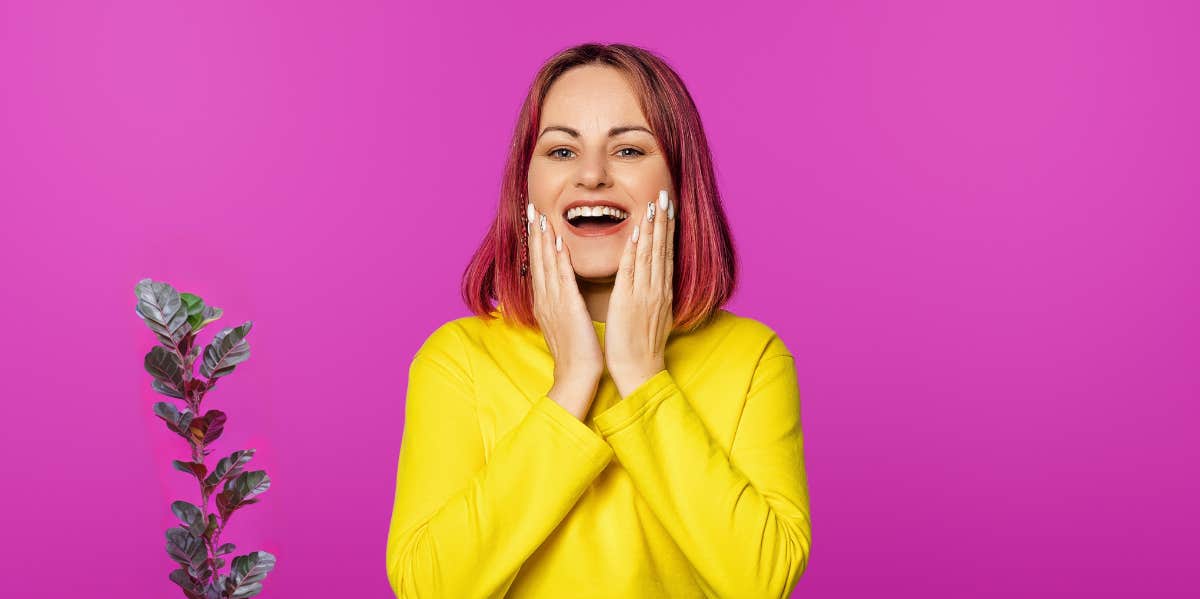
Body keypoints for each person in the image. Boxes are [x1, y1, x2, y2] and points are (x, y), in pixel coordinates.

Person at [385, 42, 811, 598]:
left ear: (680, 184)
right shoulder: (457, 359)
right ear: (525, 187)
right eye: (561, 151)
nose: (591, 176)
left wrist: (641, 374)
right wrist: (572, 384)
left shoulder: (751, 358)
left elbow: (765, 581)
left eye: (629, 150)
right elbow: (428, 587)